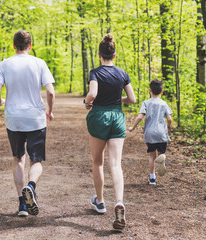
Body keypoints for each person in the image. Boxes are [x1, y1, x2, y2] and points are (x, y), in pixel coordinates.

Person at [0, 30, 55, 217]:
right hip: (36, 118)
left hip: (14, 119)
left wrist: (0, 102)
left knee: (18, 159)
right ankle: (31, 186)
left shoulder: (4, 64)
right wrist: (49, 111)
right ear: (30, 45)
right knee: (36, 160)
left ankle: (22, 205)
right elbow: (50, 92)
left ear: (13, 45)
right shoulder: (39, 63)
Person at [84, 34, 136, 231]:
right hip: (117, 118)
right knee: (116, 164)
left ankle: (100, 201)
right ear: (114, 55)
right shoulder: (122, 73)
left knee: (98, 161)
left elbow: (93, 93)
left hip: (99, 116)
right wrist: (117, 100)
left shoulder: (95, 73)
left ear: (99, 55)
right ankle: (119, 202)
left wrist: (87, 102)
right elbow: (131, 98)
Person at [129, 79, 172, 185]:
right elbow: (169, 119)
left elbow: (139, 117)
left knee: (152, 156)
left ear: (150, 90)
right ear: (161, 92)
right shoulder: (164, 103)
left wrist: (133, 127)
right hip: (161, 133)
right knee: (161, 153)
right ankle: (162, 158)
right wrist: (169, 127)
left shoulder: (146, 103)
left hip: (150, 133)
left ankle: (152, 178)